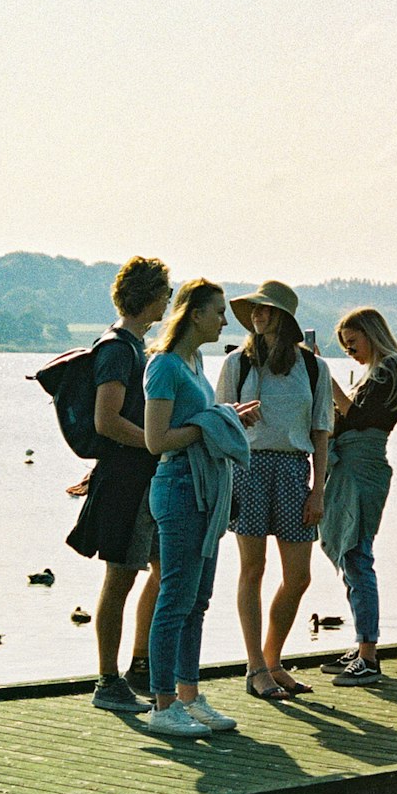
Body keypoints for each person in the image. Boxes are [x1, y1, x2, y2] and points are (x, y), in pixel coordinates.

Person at [144, 279, 258, 737]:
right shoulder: (165, 365)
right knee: (175, 598)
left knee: (199, 601)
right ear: (194, 314)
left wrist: (225, 415)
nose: (224, 321)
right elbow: (156, 441)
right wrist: (214, 422)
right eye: (217, 312)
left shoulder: (196, 361)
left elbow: (197, 422)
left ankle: (189, 695)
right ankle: (161, 704)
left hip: (206, 491)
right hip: (177, 486)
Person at [216, 280, 333, 700]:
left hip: (293, 468)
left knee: (298, 577)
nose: (258, 316)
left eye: (265, 310)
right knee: (252, 570)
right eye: (254, 311)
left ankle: (273, 659)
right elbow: (219, 422)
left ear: (283, 317)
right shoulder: (237, 364)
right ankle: (256, 668)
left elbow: (321, 432)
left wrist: (318, 490)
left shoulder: (314, 367)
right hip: (247, 467)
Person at [66, 256, 171, 714]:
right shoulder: (117, 349)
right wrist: (158, 444)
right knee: (119, 580)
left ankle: (140, 665)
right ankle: (108, 681)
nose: (169, 300)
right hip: (126, 483)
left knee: (163, 570)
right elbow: (106, 421)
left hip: (145, 481)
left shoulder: (139, 348)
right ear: (149, 296)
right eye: (166, 293)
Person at [318, 307, 397, 686]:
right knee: (349, 555)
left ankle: (369, 656)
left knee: (357, 556)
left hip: (363, 469)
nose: (349, 351)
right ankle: (362, 646)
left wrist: (326, 380)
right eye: (344, 347)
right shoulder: (376, 372)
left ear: (371, 335)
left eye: (352, 343)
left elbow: (356, 418)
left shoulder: (390, 369)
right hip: (354, 468)